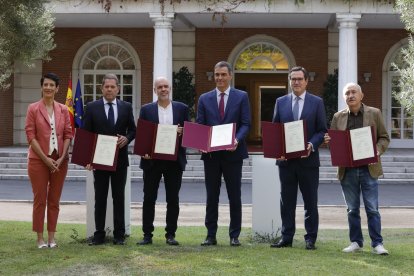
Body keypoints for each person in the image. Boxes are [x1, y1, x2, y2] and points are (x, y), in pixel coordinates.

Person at [324, 82, 390, 255]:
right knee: (352, 209)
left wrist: (377, 150)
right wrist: (329, 142)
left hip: (369, 168)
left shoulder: (374, 113)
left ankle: (377, 243)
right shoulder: (338, 117)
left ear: (361, 96)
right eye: (347, 93)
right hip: (348, 170)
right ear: (344, 97)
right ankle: (356, 242)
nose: (350, 95)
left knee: (372, 208)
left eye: (354, 92)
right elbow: (333, 144)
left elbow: (384, 137)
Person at [271, 66, 327, 250]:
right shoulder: (280, 102)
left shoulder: (316, 102)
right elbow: (275, 130)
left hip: (308, 161)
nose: (296, 82)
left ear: (306, 81)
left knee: (310, 201)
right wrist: (276, 149)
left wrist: (312, 144)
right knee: (286, 201)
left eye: (299, 79)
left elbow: (321, 130)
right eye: (293, 79)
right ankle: (286, 237)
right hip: (286, 162)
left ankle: (310, 238)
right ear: (289, 81)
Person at [196, 61, 251, 246]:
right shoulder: (204, 98)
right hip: (211, 156)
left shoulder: (241, 96)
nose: (219, 78)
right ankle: (210, 235)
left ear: (230, 76)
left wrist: (236, 139)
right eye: (216, 74)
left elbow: (246, 124)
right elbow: (201, 124)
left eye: (223, 75)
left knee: (234, 196)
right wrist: (200, 143)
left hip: (233, 154)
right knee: (212, 196)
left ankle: (234, 235)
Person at [82, 73, 136, 246]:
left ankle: (119, 235)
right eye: (107, 86)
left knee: (118, 197)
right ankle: (99, 235)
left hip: (120, 161)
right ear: (102, 88)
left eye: (113, 87)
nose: (110, 89)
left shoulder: (126, 107)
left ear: (118, 88)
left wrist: (127, 139)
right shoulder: (91, 107)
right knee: (100, 197)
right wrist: (87, 159)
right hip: (99, 161)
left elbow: (133, 130)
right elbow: (86, 135)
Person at [136, 77, 189, 246]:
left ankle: (170, 234)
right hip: (152, 161)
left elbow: (189, 133)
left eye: (166, 86)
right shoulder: (146, 110)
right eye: (160, 87)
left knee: (173, 199)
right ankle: (147, 235)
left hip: (174, 161)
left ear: (170, 88)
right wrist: (143, 152)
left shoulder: (182, 108)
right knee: (149, 198)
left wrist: (182, 132)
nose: (163, 89)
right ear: (155, 90)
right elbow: (142, 134)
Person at [25, 73, 73, 248]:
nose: (48, 88)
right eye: (45, 84)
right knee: (40, 200)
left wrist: (61, 157)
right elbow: (30, 135)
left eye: (52, 85)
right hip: (38, 160)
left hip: (60, 161)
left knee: (54, 200)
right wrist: (45, 158)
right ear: (41, 87)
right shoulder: (33, 108)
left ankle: (52, 238)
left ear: (57, 88)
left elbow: (68, 134)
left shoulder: (63, 109)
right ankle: (40, 238)